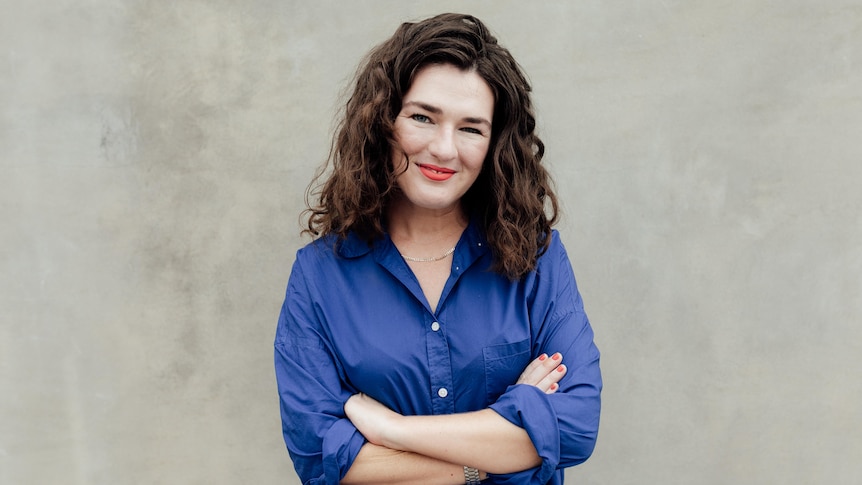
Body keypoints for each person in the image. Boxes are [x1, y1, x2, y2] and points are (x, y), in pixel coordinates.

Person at [274, 13, 601, 485]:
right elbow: (323, 459)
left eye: (471, 128)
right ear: (382, 123)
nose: (445, 149)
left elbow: (573, 428)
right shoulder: (318, 276)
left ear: (495, 145)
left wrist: (393, 430)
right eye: (423, 117)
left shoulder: (538, 259)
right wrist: (501, 440)